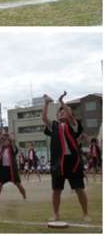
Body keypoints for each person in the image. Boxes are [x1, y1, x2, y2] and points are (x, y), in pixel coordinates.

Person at [42, 92, 90, 222]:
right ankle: (56, 214)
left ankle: (85, 213)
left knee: (79, 189)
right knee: (56, 190)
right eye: (61, 112)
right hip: (58, 162)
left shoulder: (74, 125)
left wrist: (62, 102)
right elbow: (44, 118)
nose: (63, 113)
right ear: (58, 116)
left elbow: (70, 116)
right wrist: (46, 103)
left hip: (73, 162)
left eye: (65, 111)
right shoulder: (54, 126)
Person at [0, 132, 26, 201]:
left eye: (6, 141)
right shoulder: (2, 149)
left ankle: (24, 197)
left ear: (9, 142)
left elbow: (13, 143)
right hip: (3, 169)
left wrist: (10, 138)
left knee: (18, 184)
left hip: (12, 169)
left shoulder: (12, 148)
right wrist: (1, 136)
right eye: (4, 141)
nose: (4, 142)